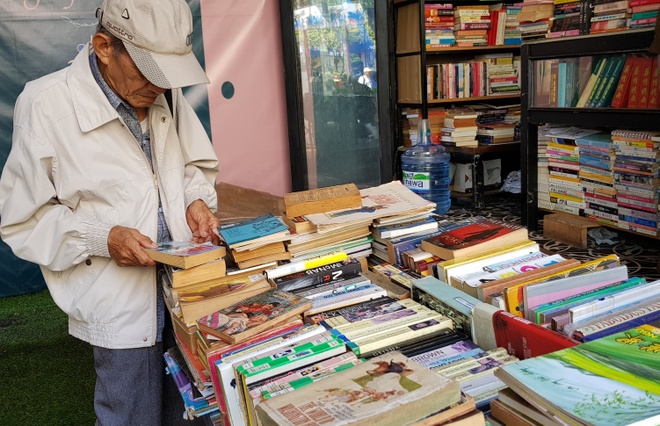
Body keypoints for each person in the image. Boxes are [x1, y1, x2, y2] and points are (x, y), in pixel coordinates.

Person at [0, 0, 220, 425]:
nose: (159, 87)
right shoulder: (45, 103)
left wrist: (195, 200)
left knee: (195, 411)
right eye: (148, 72)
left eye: (167, 74)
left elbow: (193, 166)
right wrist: (103, 238)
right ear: (104, 45)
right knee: (130, 415)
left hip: (185, 291)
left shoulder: (165, 91)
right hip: (116, 299)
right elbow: (23, 220)